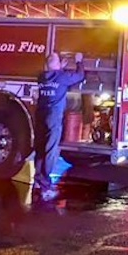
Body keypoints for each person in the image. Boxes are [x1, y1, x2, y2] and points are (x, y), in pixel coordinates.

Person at [34, 51, 86, 201]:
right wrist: (78, 61)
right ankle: (45, 187)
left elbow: (55, 75)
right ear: (56, 65)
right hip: (53, 118)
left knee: (40, 148)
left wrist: (59, 67)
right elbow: (79, 76)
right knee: (50, 150)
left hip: (41, 116)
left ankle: (39, 180)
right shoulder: (62, 77)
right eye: (59, 60)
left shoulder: (41, 77)